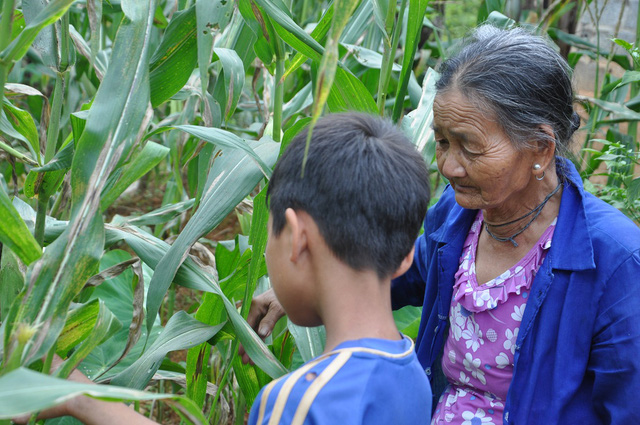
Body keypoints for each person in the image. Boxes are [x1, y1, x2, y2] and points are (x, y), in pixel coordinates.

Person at [245, 25, 640, 424]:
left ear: (540, 148)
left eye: (470, 146)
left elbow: (626, 407)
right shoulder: (456, 215)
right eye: (442, 142)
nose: (448, 166)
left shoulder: (616, 261)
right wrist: (309, 277)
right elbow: (412, 266)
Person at [16, 112, 433, 425]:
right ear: (405, 257)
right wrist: (83, 399)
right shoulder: (413, 375)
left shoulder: (302, 402)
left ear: (296, 237)